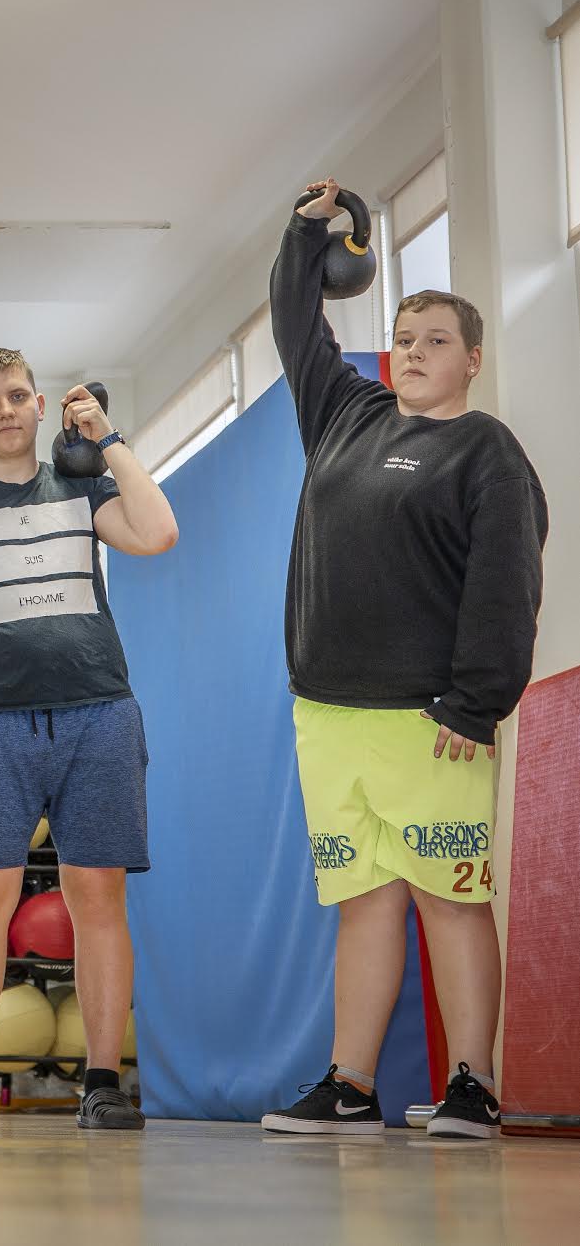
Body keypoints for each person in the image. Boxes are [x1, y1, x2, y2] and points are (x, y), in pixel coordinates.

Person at [259, 179, 546, 1141]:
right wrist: (307, 235)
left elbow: (505, 585)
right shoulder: (343, 415)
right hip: (327, 715)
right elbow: (298, 326)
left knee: (450, 903)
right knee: (363, 903)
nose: (414, 350)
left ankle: (471, 1082)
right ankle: (349, 1084)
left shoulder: (483, 452)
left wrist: (475, 703)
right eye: (404, 334)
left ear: (471, 358)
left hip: (431, 721)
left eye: (435, 339)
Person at [0, 347, 179, 1131]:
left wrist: (108, 436)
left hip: (98, 713)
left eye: (17, 395)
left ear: (40, 401)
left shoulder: (82, 485)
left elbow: (157, 531)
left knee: (98, 897)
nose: (5, 410)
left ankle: (98, 1082)